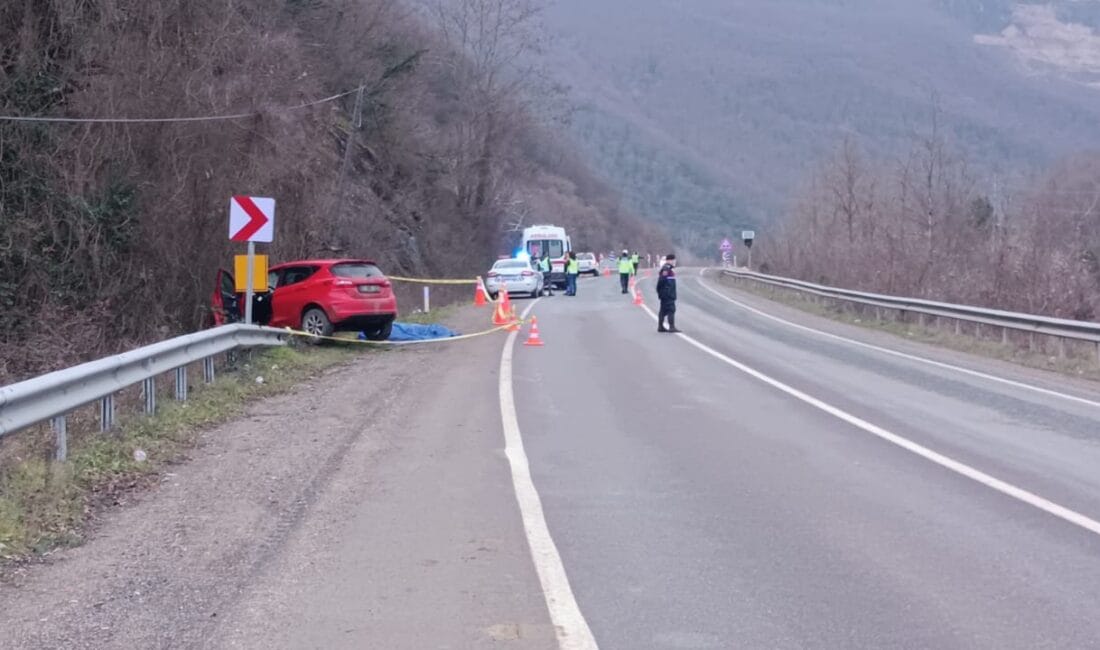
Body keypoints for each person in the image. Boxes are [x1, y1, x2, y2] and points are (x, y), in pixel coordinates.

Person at [656, 254, 680, 333]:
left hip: (667, 293)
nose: (674, 262)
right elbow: (661, 281)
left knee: (663, 310)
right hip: (667, 293)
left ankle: (660, 326)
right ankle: (671, 327)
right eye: (674, 260)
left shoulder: (669, 269)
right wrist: (661, 291)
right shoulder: (666, 268)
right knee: (671, 310)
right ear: (670, 260)